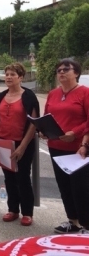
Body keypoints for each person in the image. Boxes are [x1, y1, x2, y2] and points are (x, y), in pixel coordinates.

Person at [42, 58, 89, 234]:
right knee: (64, 187)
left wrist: (76, 135)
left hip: (79, 148)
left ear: (76, 72)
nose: (61, 72)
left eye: (66, 69)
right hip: (56, 147)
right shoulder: (53, 93)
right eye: (59, 69)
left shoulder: (85, 93)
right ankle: (73, 221)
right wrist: (43, 130)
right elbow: (47, 116)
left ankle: (86, 225)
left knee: (81, 188)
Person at [0, 63, 39, 226]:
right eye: (7, 74)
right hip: (3, 142)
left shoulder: (29, 96)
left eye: (13, 74)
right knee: (9, 178)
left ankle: (27, 212)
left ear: (21, 77)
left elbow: (33, 123)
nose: (9, 77)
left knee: (23, 178)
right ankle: (13, 210)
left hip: (22, 143)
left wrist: (22, 146)